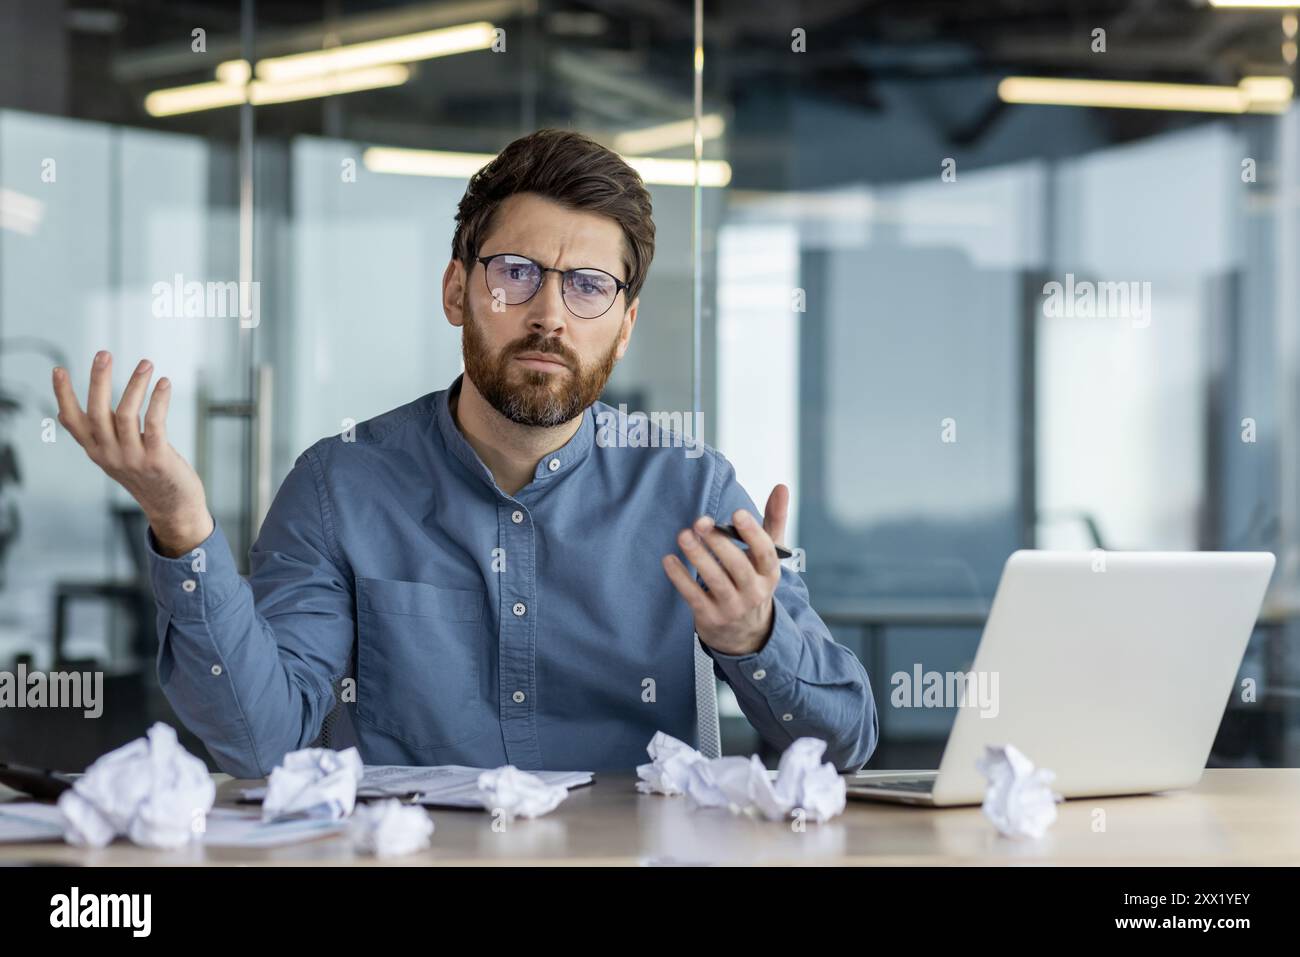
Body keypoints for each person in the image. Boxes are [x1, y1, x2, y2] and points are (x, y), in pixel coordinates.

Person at [50, 128, 877, 778]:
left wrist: (755, 635)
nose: (549, 313)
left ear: (623, 326)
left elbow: (844, 747)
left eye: (588, 285)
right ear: (457, 291)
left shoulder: (692, 490)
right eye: (515, 272)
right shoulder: (341, 485)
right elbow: (257, 742)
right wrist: (181, 523)